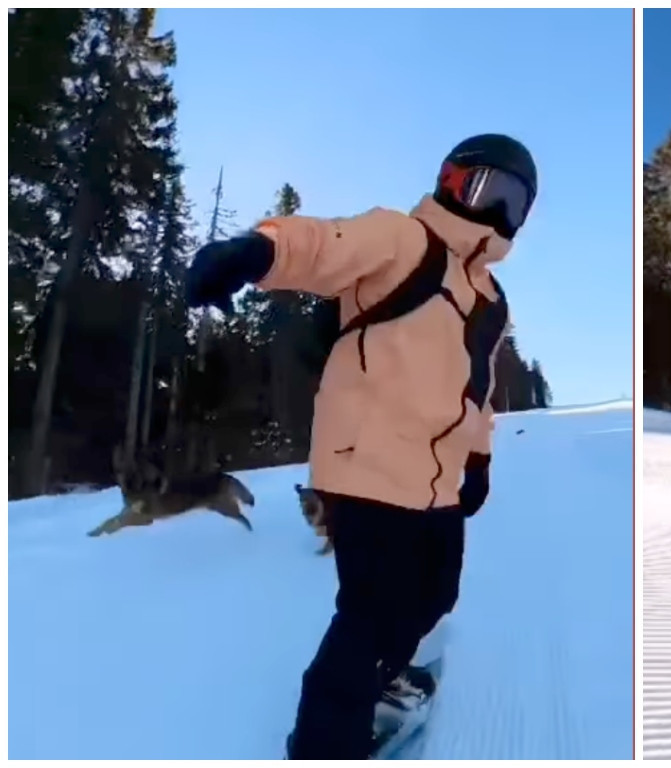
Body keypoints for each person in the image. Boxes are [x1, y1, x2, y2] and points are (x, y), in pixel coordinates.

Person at [184, 134, 538, 759]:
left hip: (434, 481)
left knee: (436, 594)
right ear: (453, 182)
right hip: (365, 464)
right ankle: (323, 745)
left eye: (515, 204)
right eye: (492, 191)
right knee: (370, 617)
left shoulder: (490, 300)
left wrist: (479, 457)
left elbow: (476, 391)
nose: (499, 214)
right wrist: (254, 252)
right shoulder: (405, 239)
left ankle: (386, 679)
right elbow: (325, 244)